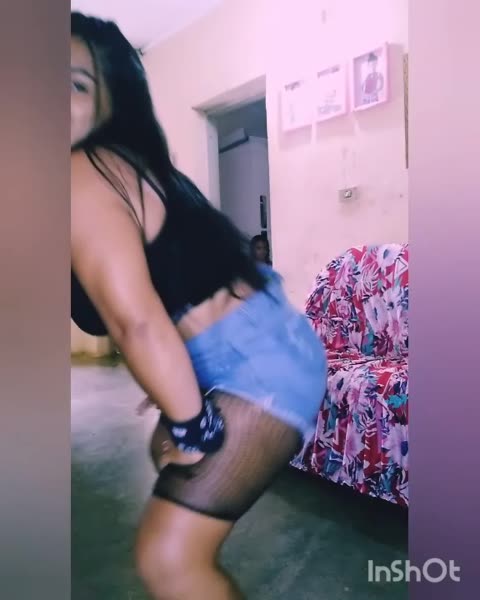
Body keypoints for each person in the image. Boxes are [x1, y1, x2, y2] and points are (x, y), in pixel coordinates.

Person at [71, 12, 327, 600]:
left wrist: (193, 423)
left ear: (109, 102)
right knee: (162, 456)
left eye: (74, 83)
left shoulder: (84, 171)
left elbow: (136, 322)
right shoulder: (118, 166)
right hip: (262, 339)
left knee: (169, 559)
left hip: (256, 363)